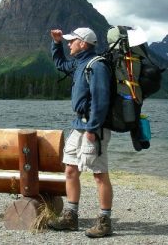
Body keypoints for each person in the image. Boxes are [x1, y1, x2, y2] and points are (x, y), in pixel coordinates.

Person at [48, 27, 113, 238]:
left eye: (71, 41)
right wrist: (56, 43)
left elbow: (101, 101)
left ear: (83, 43)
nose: (69, 44)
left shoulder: (98, 66)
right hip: (80, 125)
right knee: (70, 169)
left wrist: (92, 131)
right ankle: (70, 217)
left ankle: (104, 221)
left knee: (99, 174)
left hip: (94, 128)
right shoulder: (79, 63)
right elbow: (60, 64)